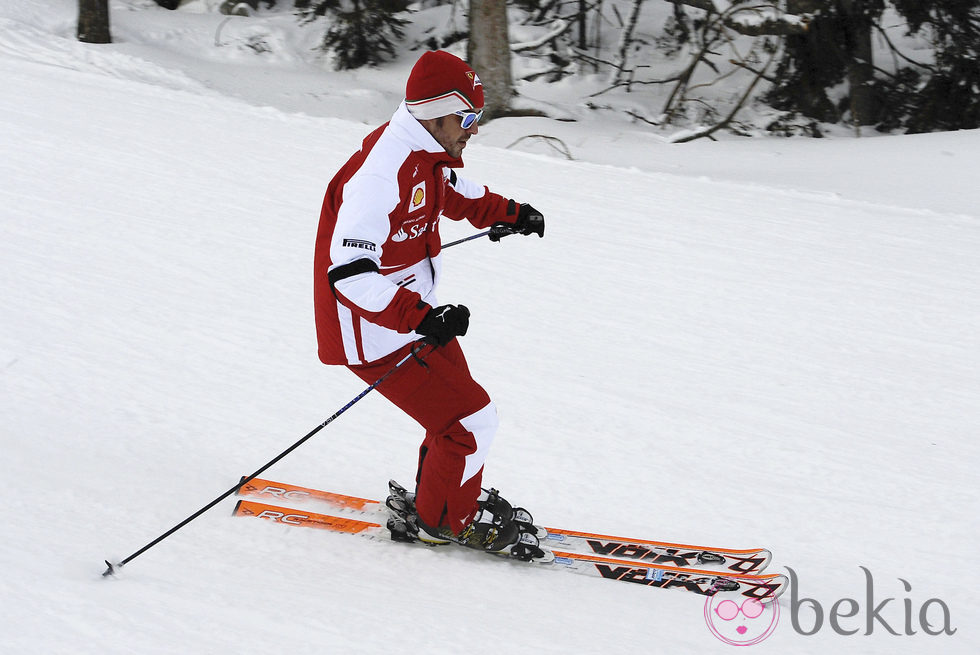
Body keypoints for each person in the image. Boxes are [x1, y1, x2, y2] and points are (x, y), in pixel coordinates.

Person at [313, 50, 545, 555]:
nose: (473, 130)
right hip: (373, 330)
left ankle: (440, 503)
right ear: (436, 112)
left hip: (409, 319)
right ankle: (447, 520)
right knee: (469, 421)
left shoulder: (425, 151)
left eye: (477, 119)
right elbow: (348, 276)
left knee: (456, 420)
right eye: (467, 118)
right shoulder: (379, 175)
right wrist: (421, 316)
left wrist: (509, 213)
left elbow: (452, 190)